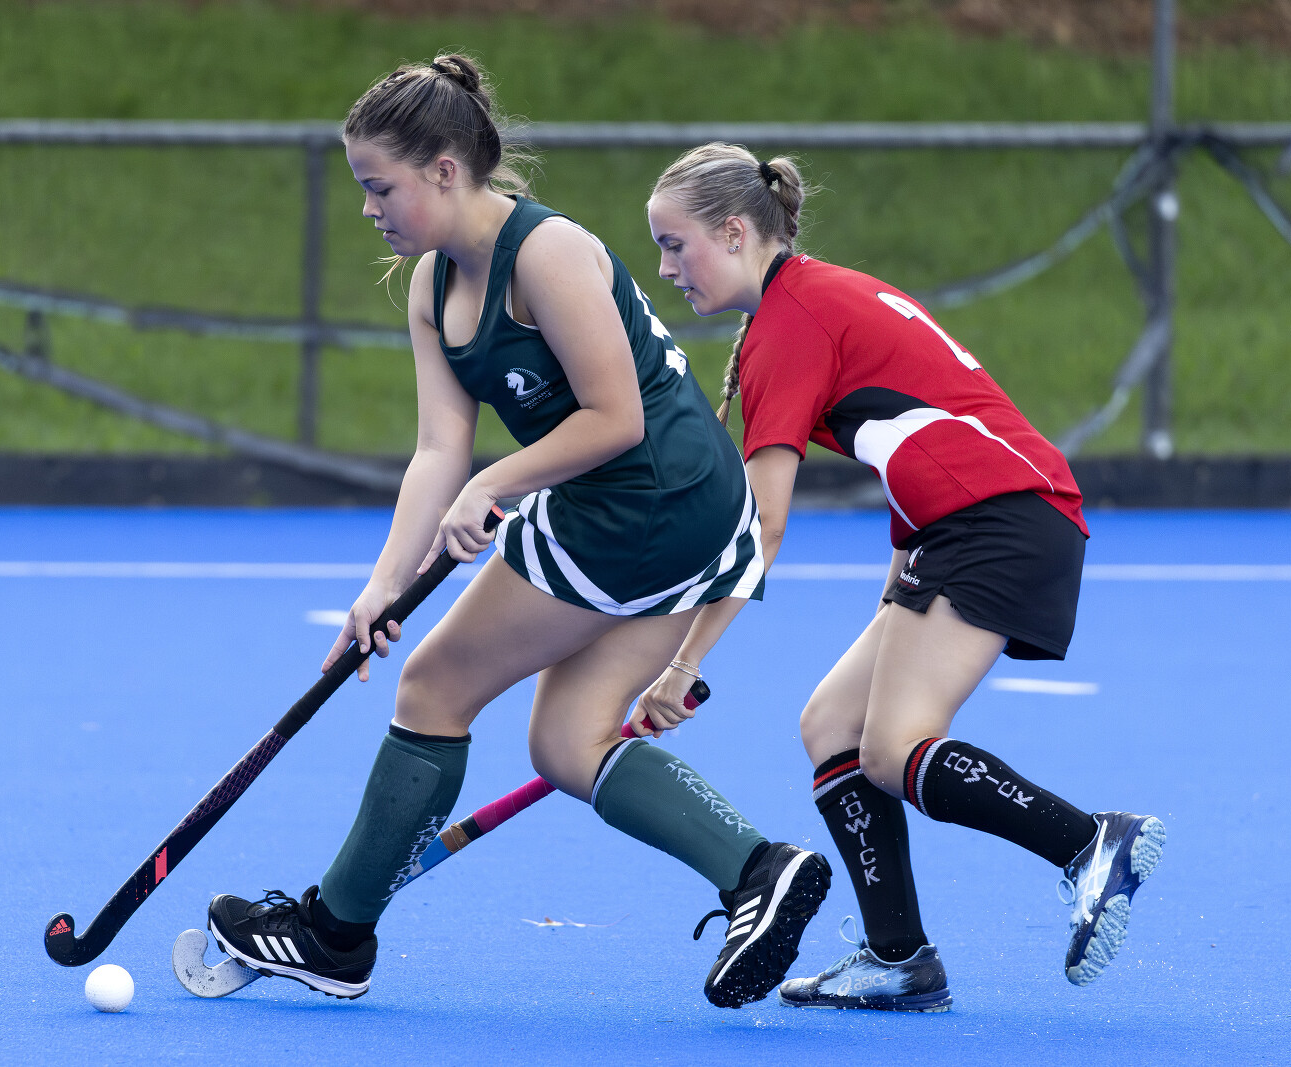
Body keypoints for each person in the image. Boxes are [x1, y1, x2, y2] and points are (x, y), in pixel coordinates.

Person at [205, 59, 830, 1009]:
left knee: (434, 685)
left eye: (381, 187)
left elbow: (616, 417)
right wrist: (383, 586)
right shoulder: (431, 286)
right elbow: (437, 451)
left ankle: (335, 933)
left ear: (445, 170)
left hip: (645, 499)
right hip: (658, 506)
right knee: (567, 741)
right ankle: (760, 869)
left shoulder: (548, 253)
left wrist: (496, 484)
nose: (368, 208)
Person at [635, 143, 1165, 1012]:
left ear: (732, 232)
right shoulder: (814, 294)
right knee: (832, 726)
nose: (665, 269)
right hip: (970, 518)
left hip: (996, 520)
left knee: (894, 746)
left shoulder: (788, 326)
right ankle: (900, 959)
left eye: (673, 245)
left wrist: (682, 663)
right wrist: (898, 586)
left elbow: (762, 525)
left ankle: (1089, 841)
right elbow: (916, 432)